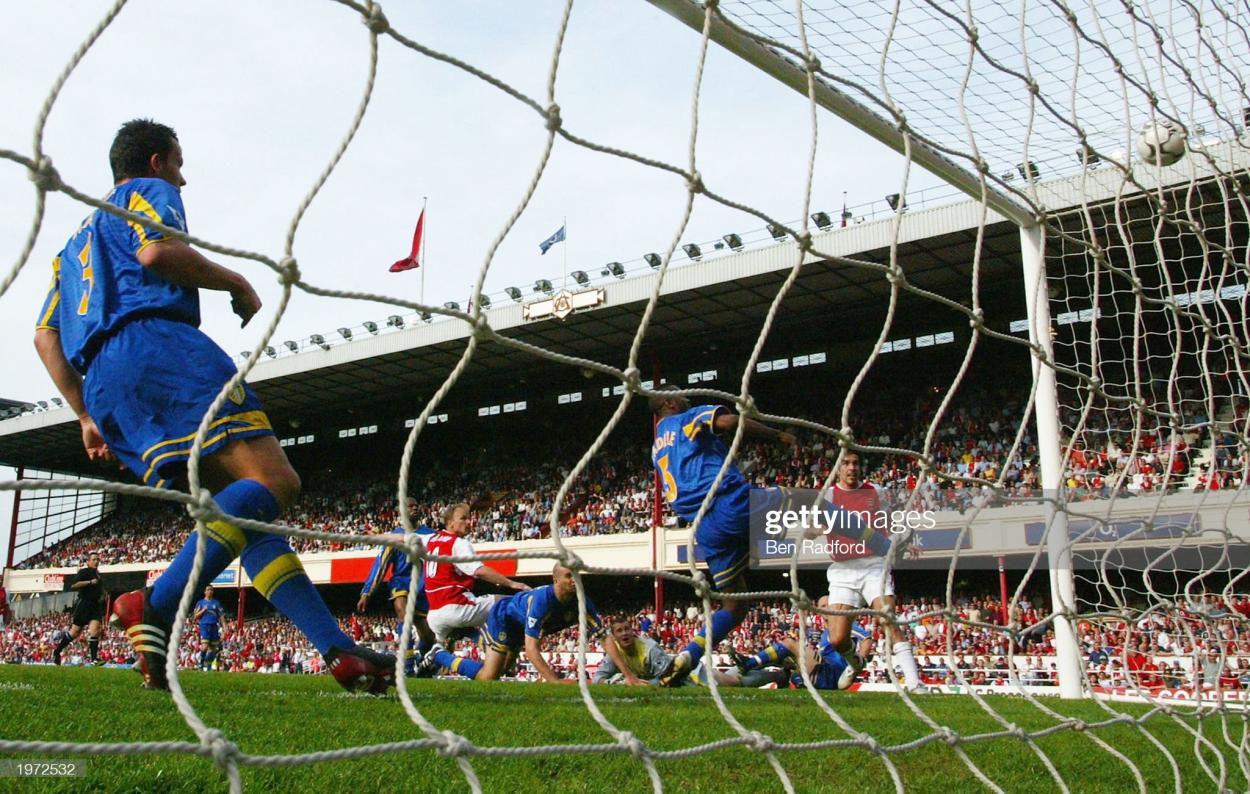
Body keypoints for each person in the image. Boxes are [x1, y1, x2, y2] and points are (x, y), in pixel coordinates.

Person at [35, 119, 393, 692]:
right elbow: (157, 254)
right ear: (156, 161)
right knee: (277, 482)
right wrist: (234, 281)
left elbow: (45, 338)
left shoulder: (70, 246)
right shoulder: (144, 193)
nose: (184, 176)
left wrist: (83, 415)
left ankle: (336, 650)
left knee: (244, 521)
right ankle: (153, 603)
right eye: (179, 163)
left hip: (105, 384)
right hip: (160, 348)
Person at [648, 385, 888, 686]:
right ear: (669, 402)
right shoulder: (687, 418)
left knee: (734, 607)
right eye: (680, 394)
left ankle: (689, 655)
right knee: (809, 500)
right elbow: (729, 421)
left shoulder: (658, 446)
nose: (687, 397)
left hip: (704, 527)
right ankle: (880, 542)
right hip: (729, 503)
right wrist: (776, 435)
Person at [422, 564, 633, 683]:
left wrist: (629, 676)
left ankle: (468, 633)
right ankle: (439, 654)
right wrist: (555, 682)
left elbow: (605, 639)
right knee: (487, 678)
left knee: (502, 671)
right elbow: (532, 650)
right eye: (569, 576)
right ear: (556, 580)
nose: (574, 580)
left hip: (519, 625)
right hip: (504, 618)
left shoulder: (583, 602)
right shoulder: (543, 601)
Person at [823, 451, 922, 691]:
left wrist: (905, 542)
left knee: (888, 618)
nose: (851, 468)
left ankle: (915, 683)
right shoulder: (827, 495)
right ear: (838, 469)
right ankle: (854, 662)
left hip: (873, 565)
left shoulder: (875, 492)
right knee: (837, 639)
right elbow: (814, 525)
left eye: (855, 463)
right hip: (842, 569)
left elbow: (890, 521)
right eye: (846, 463)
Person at [422, 502, 530, 645]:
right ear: (450, 523)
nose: (469, 522)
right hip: (457, 608)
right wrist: (512, 583)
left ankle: (433, 657)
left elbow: (401, 538)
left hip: (434, 615)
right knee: (508, 602)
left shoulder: (429, 539)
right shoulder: (458, 543)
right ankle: (507, 643)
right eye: (463, 518)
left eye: (469, 518)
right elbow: (479, 571)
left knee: (443, 652)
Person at [356, 498, 437, 675]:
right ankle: (407, 666)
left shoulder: (430, 534)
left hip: (423, 586)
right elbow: (381, 565)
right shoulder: (394, 536)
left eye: (416, 505)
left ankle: (424, 664)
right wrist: (367, 592)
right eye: (410, 506)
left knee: (427, 634)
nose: (415, 508)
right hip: (401, 581)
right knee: (402, 610)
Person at [53, 552, 106, 665]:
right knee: (75, 632)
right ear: (88, 562)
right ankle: (57, 651)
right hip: (84, 604)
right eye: (94, 559)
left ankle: (94, 659)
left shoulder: (98, 574)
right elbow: (74, 585)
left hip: (95, 605)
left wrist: (103, 594)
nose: (96, 561)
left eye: (97, 559)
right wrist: (89, 582)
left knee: (95, 630)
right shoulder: (84, 572)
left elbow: (99, 588)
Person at [592, 617, 671, 685]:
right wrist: (618, 683)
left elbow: (668, 677)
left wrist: (646, 683)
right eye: (619, 631)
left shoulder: (650, 648)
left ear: (632, 631)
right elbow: (596, 679)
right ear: (613, 637)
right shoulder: (614, 653)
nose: (624, 633)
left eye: (627, 629)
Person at [192, 585, 224, 671]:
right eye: (208, 590)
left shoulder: (216, 603)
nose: (210, 591)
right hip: (205, 625)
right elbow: (195, 617)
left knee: (213, 649)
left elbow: (221, 617)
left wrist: (225, 628)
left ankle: (208, 666)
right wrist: (203, 610)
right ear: (205, 592)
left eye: (211, 590)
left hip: (214, 626)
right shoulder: (200, 603)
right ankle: (201, 664)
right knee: (205, 647)